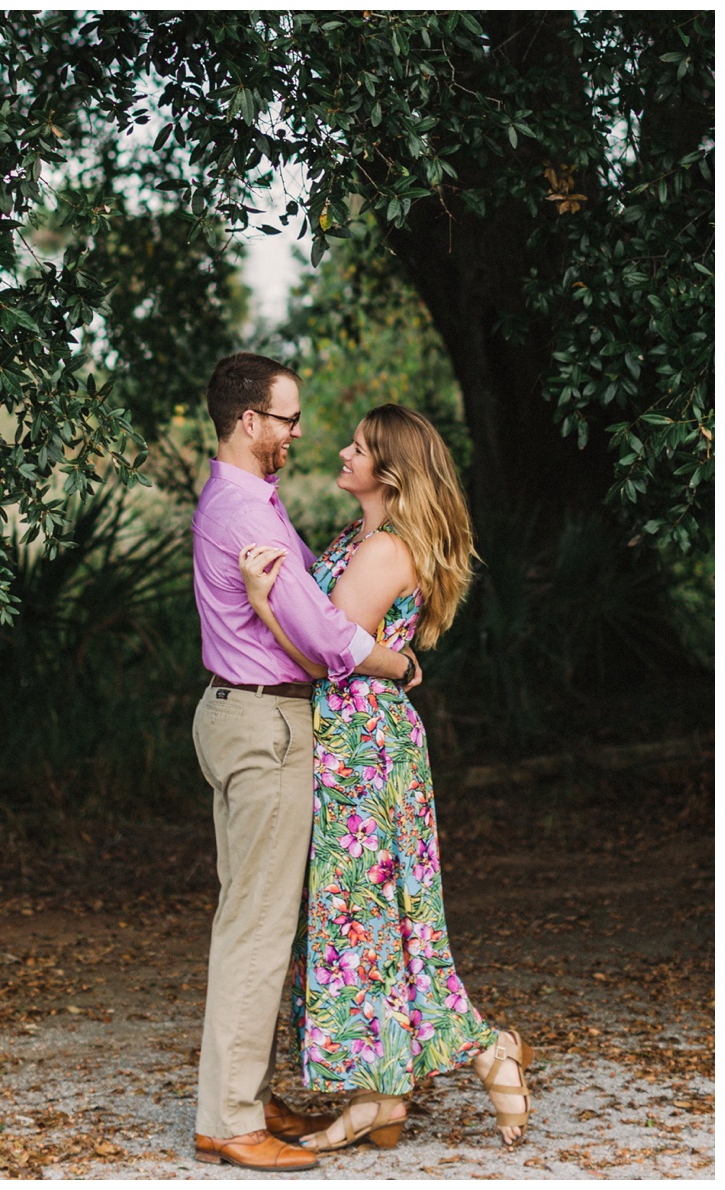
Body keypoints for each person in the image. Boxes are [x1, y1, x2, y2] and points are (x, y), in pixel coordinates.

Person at [239, 404, 534, 1155]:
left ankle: (487, 1049)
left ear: (391, 471)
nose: (343, 452)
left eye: (360, 448)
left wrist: (263, 604)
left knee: (375, 913)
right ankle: (379, 1096)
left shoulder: (385, 551)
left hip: (365, 745)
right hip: (354, 737)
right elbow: (344, 646)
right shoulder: (357, 538)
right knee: (365, 920)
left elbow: (321, 652)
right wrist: (395, 661)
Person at [190, 354, 421, 1173]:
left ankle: (239, 1097)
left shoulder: (242, 499)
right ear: (250, 422)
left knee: (243, 919)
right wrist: (395, 664)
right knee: (258, 927)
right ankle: (231, 1120)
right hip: (266, 723)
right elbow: (326, 639)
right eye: (287, 418)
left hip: (235, 712)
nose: (297, 432)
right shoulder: (248, 513)